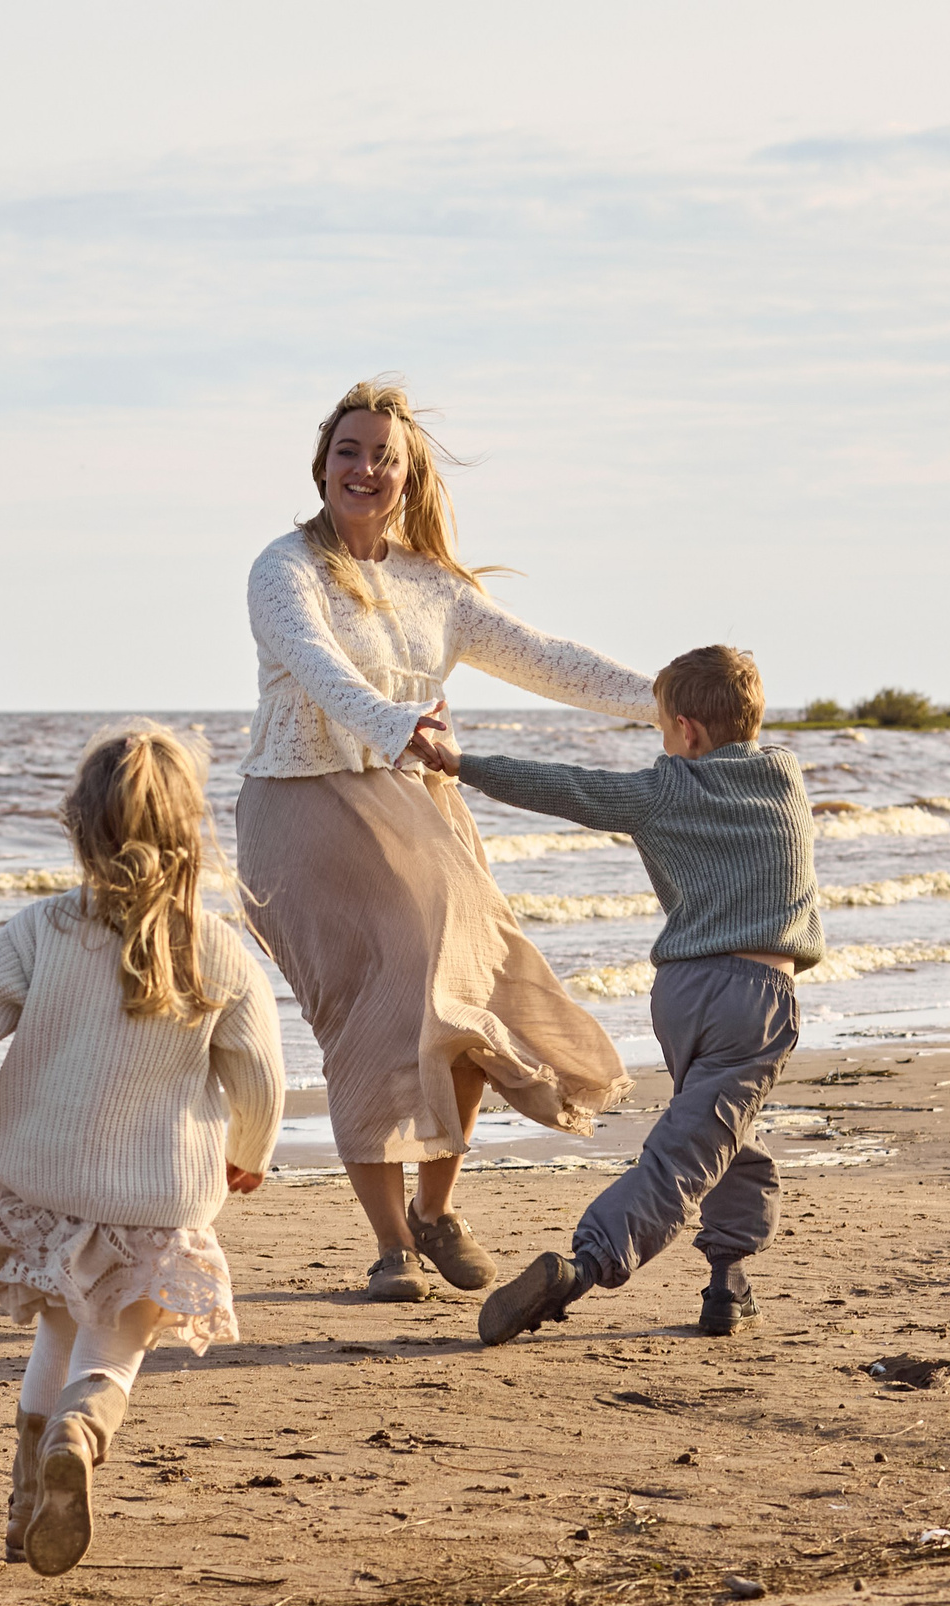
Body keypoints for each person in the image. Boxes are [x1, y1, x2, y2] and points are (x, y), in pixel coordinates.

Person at [234, 375, 660, 1304]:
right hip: (303, 814)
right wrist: (396, 725)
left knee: (465, 997)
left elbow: (545, 656)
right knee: (366, 1019)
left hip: (420, 806)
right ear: (322, 465)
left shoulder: (435, 587)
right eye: (349, 451)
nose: (365, 468)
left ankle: (436, 1207)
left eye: (384, 457)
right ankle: (391, 1246)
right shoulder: (285, 568)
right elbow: (318, 670)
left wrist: (662, 698)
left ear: (409, 477)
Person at [0, 724, 284, 1575]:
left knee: (56, 1335)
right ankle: (81, 1432)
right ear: (192, 836)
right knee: (114, 1350)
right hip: (154, 1201)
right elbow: (261, 1070)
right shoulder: (219, 950)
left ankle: (22, 1510)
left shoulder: (41, 931)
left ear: (79, 826)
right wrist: (249, 1148)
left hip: (44, 1189)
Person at [430, 645, 823, 1341]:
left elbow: (568, 787)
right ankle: (584, 1264)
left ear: (688, 730)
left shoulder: (666, 789)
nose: (665, 747)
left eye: (664, 731)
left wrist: (464, 763)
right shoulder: (785, 777)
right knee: (688, 1151)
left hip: (682, 995)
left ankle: (728, 1282)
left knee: (722, 1132)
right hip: (756, 997)